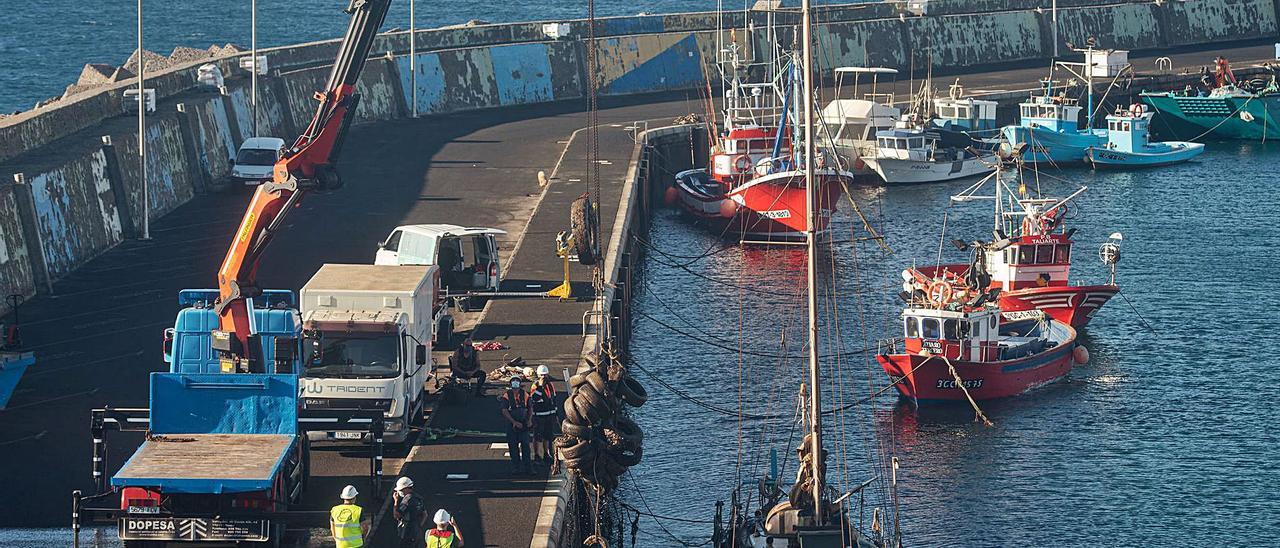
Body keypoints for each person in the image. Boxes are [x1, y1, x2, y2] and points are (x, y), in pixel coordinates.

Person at [528, 365, 560, 465]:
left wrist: (555, 413)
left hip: (549, 415)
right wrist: (540, 387)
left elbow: (553, 399)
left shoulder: (550, 385)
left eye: (545, 375)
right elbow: (534, 398)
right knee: (537, 436)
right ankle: (537, 455)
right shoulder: (535, 385)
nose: (544, 377)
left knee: (548, 436)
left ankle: (546, 454)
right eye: (542, 375)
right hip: (538, 416)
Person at [500, 377, 533, 474]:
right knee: (513, 447)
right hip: (512, 426)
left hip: (523, 424)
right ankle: (516, 467)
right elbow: (504, 411)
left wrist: (529, 420)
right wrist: (514, 422)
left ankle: (528, 468)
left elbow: (530, 408)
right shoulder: (506, 396)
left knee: (526, 446)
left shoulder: (525, 394)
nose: (515, 390)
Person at [391, 477, 427, 548]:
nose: (400, 492)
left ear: (406, 488)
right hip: (416, 532)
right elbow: (425, 514)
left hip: (406, 532)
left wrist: (395, 501)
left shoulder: (407, 500)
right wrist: (419, 526)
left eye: (401, 490)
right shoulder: (418, 498)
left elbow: (396, 515)